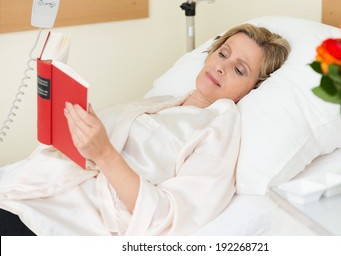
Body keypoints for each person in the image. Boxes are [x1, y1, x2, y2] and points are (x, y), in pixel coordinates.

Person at [0, 24, 290, 236]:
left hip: (57, 223)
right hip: (28, 193)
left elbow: (169, 215)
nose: (222, 67)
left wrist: (104, 154)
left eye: (240, 70)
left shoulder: (218, 131)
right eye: (222, 54)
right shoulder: (160, 103)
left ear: (253, 89)